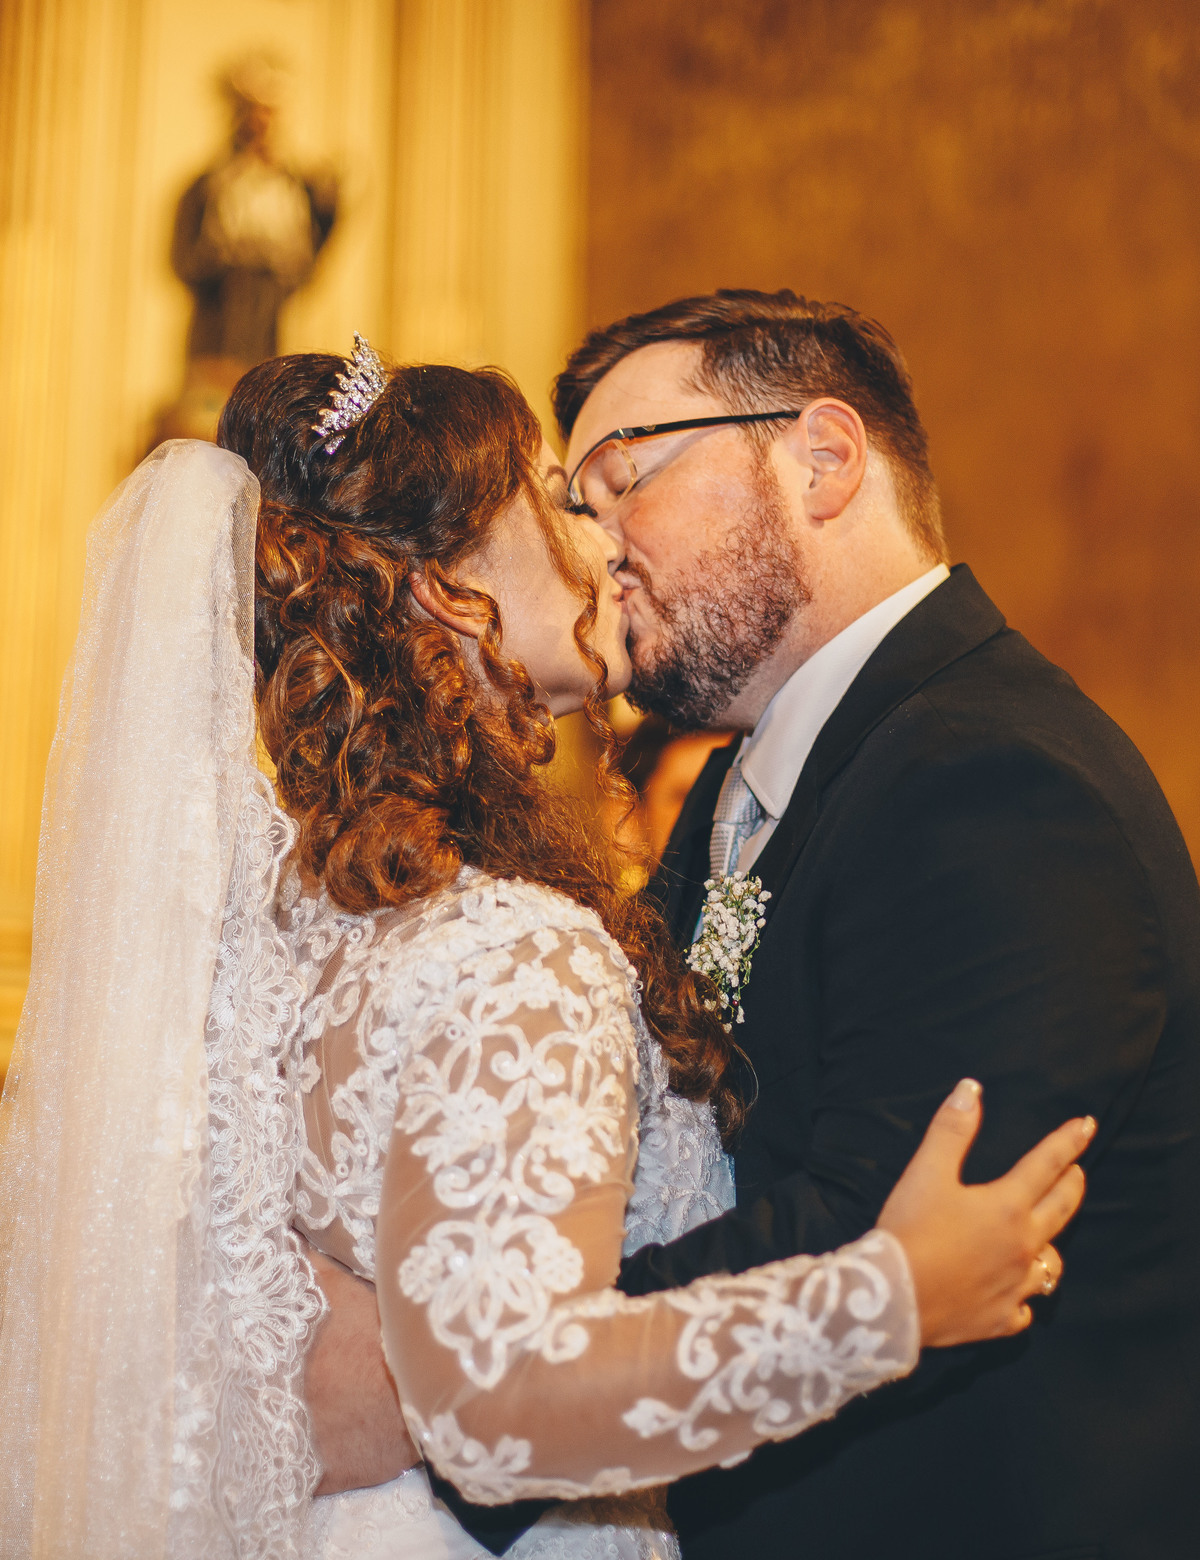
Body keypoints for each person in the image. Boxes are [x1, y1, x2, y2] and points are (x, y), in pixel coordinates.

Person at [0, 339, 1089, 1560]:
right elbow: (502, 1404)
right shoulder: (512, 952)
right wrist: (893, 1298)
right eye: (565, 504)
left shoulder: (282, 920)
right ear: (440, 592)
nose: (607, 542)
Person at [542, 289, 1200, 1560]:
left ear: (823, 457)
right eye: (579, 512)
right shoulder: (742, 784)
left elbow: (869, 1225)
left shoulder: (998, 782)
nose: (597, 551)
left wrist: (510, 1377)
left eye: (622, 479)